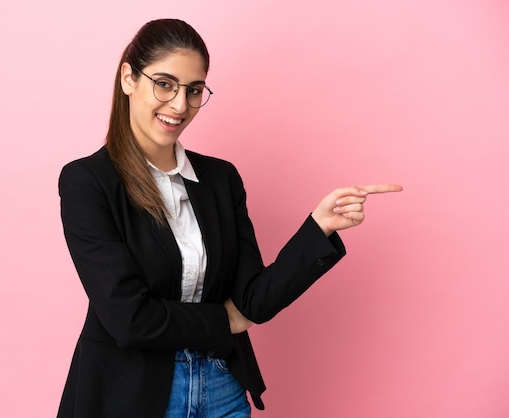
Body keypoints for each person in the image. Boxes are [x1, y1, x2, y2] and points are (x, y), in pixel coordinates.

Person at [57, 18, 402, 418]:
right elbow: (129, 319)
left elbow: (253, 299)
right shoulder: (88, 182)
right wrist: (224, 319)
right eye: (164, 84)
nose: (179, 105)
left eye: (194, 90)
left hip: (222, 386)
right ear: (128, 78)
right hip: (133, 395)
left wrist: (319, 227)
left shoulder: (220, 179)